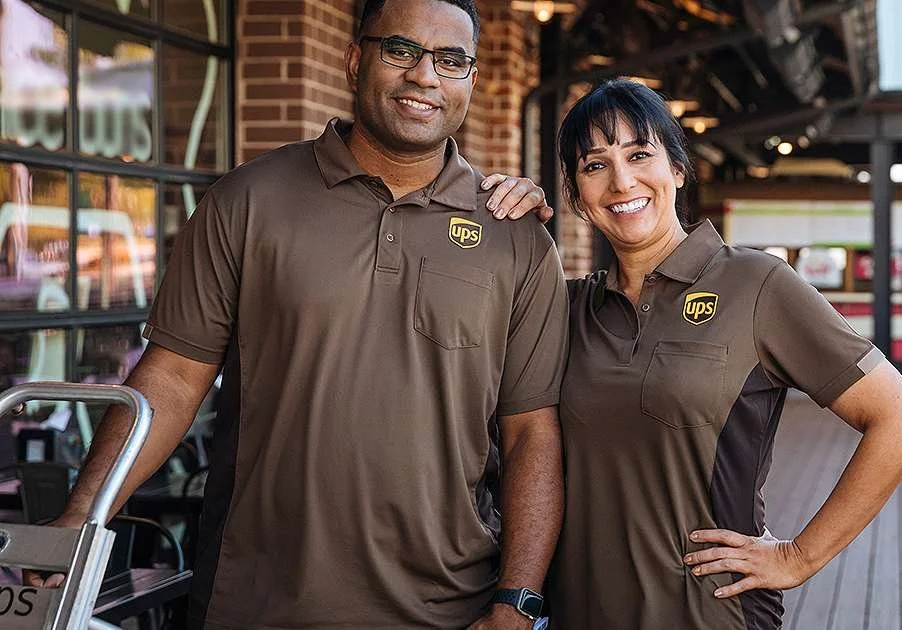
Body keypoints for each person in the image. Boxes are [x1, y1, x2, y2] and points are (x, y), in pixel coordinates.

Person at [38, 0, 569, 628]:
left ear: (471, 79)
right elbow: (172, 379)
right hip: (255, 602)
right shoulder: (247, 200)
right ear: (354, 60)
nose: (425, 75)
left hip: (449, 610)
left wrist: (517, 600)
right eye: (401, 49)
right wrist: (84, 514)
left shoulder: (515, 236)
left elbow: (531, 432)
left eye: (451, 60)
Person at [496, 79, 902, 629]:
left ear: (678, 169)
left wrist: (798, 557)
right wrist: (504, 222)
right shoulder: (569, 309)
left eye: (639, 155)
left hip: (711, 612)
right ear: (576, 196)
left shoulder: (757, 283)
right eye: (595, 165)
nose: (621, 181)